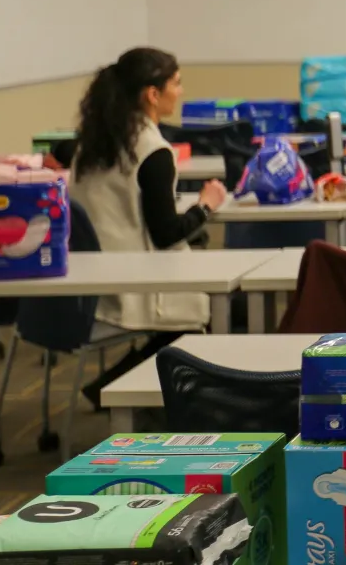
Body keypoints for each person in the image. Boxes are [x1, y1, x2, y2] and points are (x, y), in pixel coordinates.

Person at [68, 47, 229, 406]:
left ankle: (113, 387)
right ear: (152, 95)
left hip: (87, 283)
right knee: (216, 310)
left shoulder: (92, 143)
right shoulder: (153, 151)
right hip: (133, 284)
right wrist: (206, 206)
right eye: (177, 83)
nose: (181, 91)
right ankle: (119, 390)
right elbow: (166, 234)